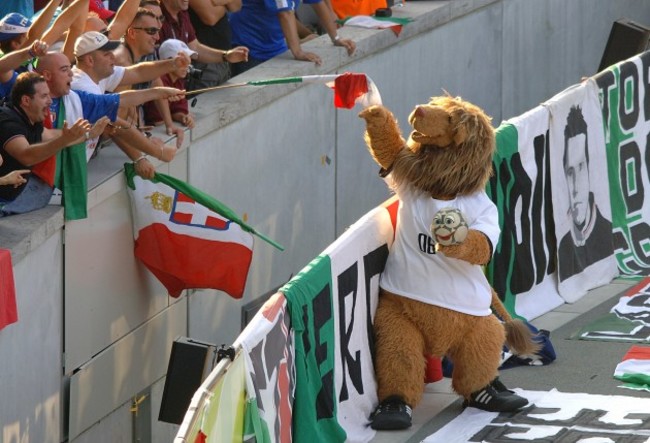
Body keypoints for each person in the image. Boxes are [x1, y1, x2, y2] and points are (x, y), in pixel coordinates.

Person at [71, 31, 187, 169]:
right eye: (106, 54)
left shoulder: (94, 74)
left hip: (74, 164)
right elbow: (115, 125)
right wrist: (158, 152)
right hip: (65, 169)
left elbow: (137, 72)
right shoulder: (83, 86)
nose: (113, 56)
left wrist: (173, 64)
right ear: (90, 60)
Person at [0, 71, 108, 215]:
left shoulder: (31, 119)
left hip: (12, 195)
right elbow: (26, 155)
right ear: (26, 100)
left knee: (43, 192)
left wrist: (89, 134)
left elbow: (51, 135)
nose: (50, 101)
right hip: (3, 199)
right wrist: (65, 140)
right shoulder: (8, 121)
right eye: (44, 96)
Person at [557, 105, 613, 281]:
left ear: (589, 167)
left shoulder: (608, 236)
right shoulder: (562, 248)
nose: (574, 187)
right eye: (569, 172)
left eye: (580, 168)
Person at [228, 0, 355, 75]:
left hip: (276, 45)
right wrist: (298, 52)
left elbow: (318, 3)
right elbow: (285, 13)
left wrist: (336, 38)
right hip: (249, 48)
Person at [158, 0, 249, 81]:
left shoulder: (182, 13)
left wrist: (226, 55)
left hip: (181, 85)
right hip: (170, 88)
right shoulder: (157, 18)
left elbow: (195, 47)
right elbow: (211, 17)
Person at [143, 39, 195, 128]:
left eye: (187, 62)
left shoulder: (178, 80)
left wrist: (183, 117)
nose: (186, 67)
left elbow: (177, 109)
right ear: (169, 61)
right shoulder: (160, 79)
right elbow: (157, 119)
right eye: (182, 62)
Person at [187, 0, 241, 88]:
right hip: (205, 62)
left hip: (224, 58)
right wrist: (226, 5)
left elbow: (236, 6)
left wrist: (219, 4)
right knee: (204, 101)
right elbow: (211, 17)